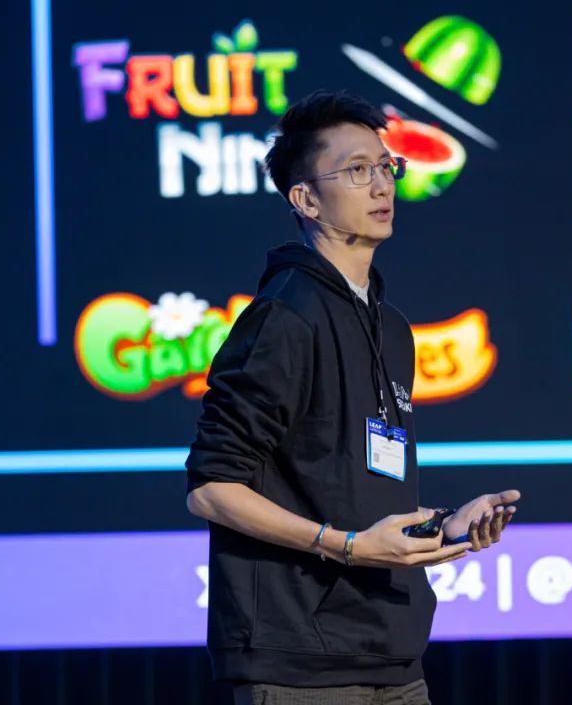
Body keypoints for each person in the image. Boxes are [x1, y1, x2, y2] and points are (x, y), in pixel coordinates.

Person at [185, 90, 521, 705]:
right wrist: (346, 546)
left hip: (391, 653)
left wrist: (442, 528)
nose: (381, 185)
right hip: (299, 663)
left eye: (386, 167)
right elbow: (212, 488)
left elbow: (348, 485)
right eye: (357, 170)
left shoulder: (389, 327)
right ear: (306, 199)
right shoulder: (285, 315)